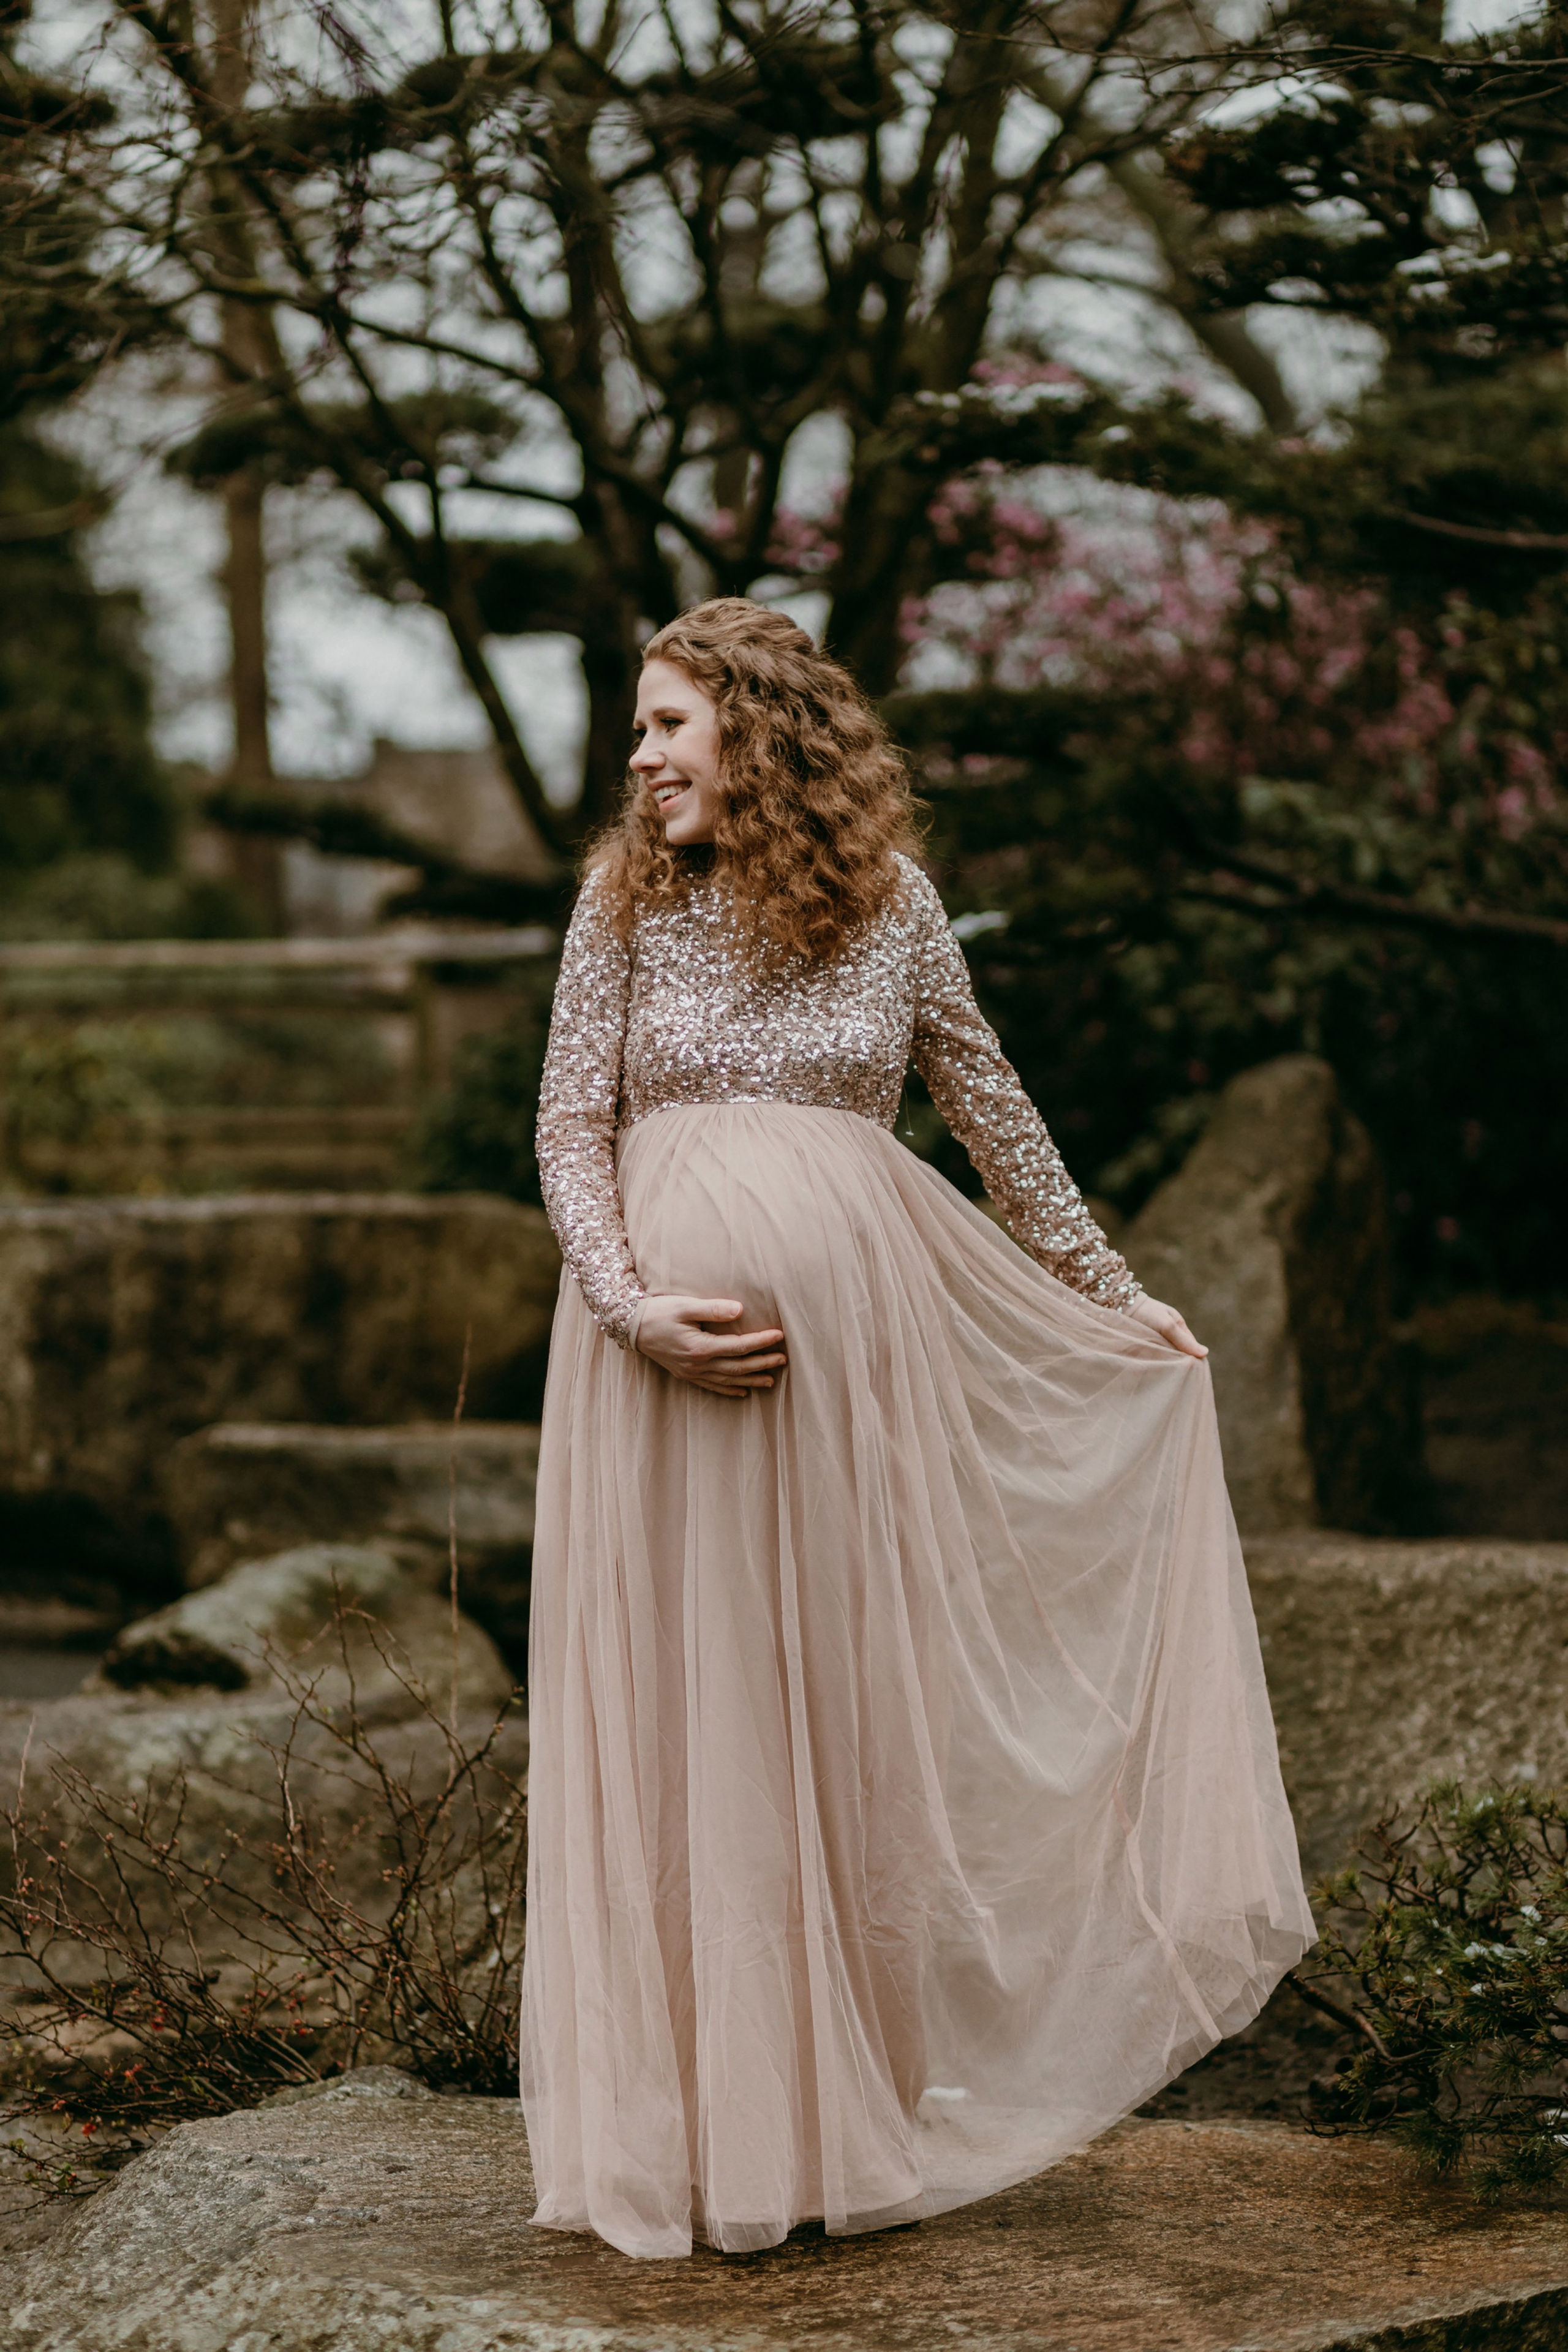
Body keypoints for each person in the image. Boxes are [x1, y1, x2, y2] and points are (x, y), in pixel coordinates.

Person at [520, 598, 1311, 2261]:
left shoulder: (892, 906)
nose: (639, 754)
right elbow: (568, 1124)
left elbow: (992, 1113)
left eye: (668, 722)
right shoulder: (627, 902)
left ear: (760, 726)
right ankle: (692, 2131)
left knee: (839, 1718)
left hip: (847, 1385)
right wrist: (629, 1303)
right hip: (658, 1372)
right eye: (641, 727)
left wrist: (1114, 1293)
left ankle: (831, 2125)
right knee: (692, 1716)